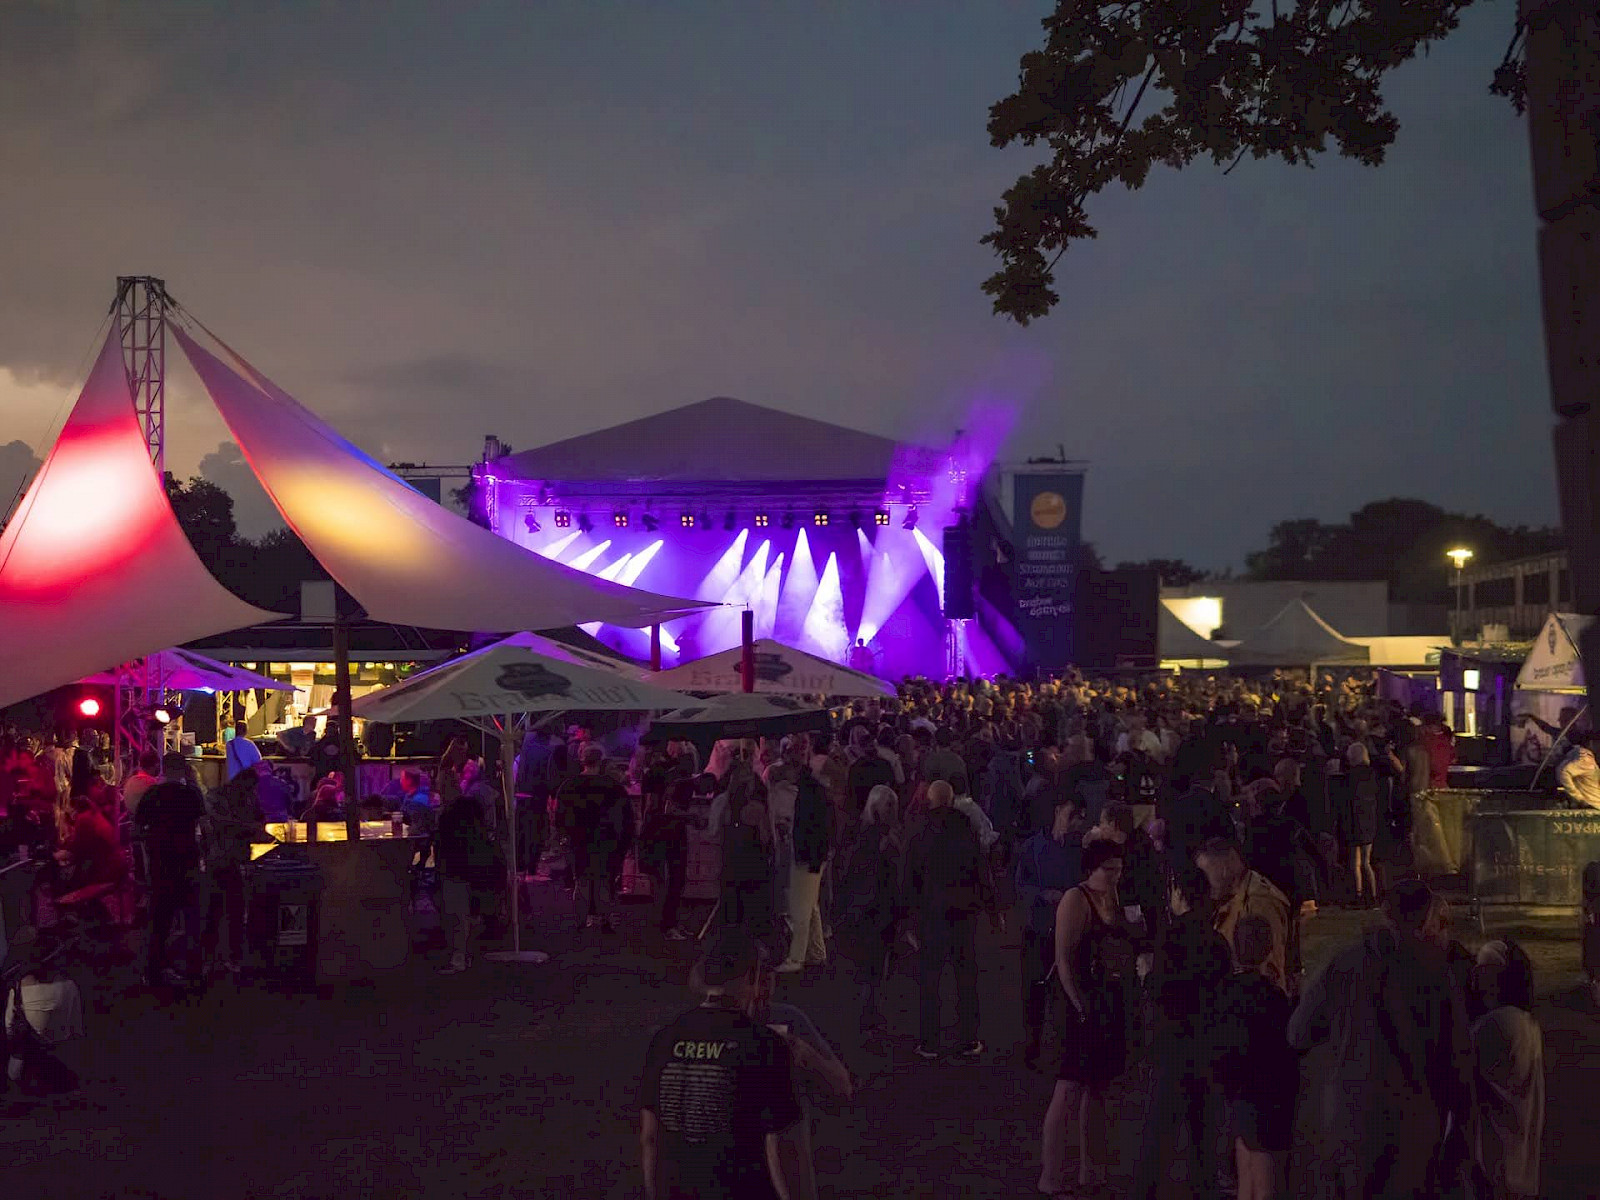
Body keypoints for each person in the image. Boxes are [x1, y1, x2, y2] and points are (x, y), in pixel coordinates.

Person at [1288, 879, 1474, 1200]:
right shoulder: (1436, 972)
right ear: (1425, 920)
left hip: (1350, 1122)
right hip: (1412, 1130)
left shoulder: (1344, 964)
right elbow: (1458, 1059)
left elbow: (1299, 1033)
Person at [639, 926, 803, 1200]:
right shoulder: (765, 1044)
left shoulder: (664, 1040)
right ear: (751, 976)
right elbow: (779, 1148)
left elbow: (650, 1138)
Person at [1130, 864, 1233, 1200]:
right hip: (1207, 1047)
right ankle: (1203, 1189)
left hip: (1174, 1047)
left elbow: (1163, 991)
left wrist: (1146, 975)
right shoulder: (1217, 941)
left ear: (1180, 895)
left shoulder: (1172, 939)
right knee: (1203, 1135)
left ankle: (1146, 1192)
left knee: (1159, 1133)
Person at [1039, 838, 1130, 1198]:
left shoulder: (1112, 897)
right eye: (1108, 870)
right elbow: (1063, 959)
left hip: (1106, 1002)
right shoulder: (1076, 900)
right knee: (1068, 1088)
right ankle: (1050, 1176)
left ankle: (1091, 1169)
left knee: (1097, 1087)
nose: (1115, 876)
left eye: (1118, 870)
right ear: (1091, 868)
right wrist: (1078, 1005)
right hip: (1078, 1005)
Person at [904, 775, 1000, 1058]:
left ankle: (929, 1041)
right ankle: (968, 1037)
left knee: (930, 979)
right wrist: (992, 908)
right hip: (964, 912)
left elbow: (910, 877)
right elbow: (981, 870)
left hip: (931, 914)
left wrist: (908, 917)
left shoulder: (921, 831)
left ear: (931, 801)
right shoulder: (966, 829)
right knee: (966, 976)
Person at [1215, 915, 1299, 1200]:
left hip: (1236, 1097)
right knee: (1266, 1186)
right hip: (1265, 1101)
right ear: (1268, 948)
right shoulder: (1271, 998)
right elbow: (1286, 1049)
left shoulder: (1225, 992)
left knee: (1247, 1180)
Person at [1014, 791, 1083, 1067]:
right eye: (1071, 815)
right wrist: (1043, 895)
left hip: (1069, 930)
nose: (1075, 822)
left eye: (1079, 817)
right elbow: (1021, 884)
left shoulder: (1078, 849)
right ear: (1057, 811)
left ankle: (1063, 1045)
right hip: (1040, 928)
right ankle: (1033, 1040)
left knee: (1065, 990)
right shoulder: (1033, 847)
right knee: (1034, 988)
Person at [1471, 939, 1543, 1200]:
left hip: (1494, 1160)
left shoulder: (1497, 1024)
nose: (1474, 974)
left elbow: (1454, 1069)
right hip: (1516, 1162)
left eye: (1482, 967)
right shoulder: (1524, 1021)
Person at [134, 752, 208, 987]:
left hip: (161, 863)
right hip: (187, 861)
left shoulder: (152, 794)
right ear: (183, 769)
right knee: (191, 919)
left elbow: (137, 829)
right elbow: (204, 827)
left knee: (160, 920)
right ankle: (193, 969)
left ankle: (154, 971)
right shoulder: (191, 794)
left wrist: (151, 844)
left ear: (164, 769)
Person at [833, 783, 901, 1032]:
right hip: (876, 909)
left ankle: (866, 1010)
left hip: (866, 908)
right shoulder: (881, 839)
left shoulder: (860, 833)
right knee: (874, 965)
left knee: (869, 964)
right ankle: (868, 1013)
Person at [1197, 838, 1292, 994]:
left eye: (1206, 873)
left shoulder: (1259, 903)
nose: (1204, 882)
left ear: (1225, 867)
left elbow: (1270, 972)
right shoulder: (1230, 899)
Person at [557, 744, 630, 931]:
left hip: (578, 839)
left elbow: (560, 815)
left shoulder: (569, 785)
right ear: (600, 761)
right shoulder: (613, 787)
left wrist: (563, 836)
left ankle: (581, 921)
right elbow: (624, 817)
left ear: (582, 761)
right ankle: (604, 920)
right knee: (603, 881)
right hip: (605, 839)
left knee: (581, 880)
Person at [200, 768, 264, 973]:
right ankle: (228, 957)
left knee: (218, 911)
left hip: (221, 859)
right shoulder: (233, 798)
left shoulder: (220, 796)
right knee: (229, 911)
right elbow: (221, 823)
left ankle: (212, 958)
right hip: (228, 859)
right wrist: (249, 827)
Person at [434, 782, 499, 974]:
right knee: (465, 915)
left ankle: (458, 958)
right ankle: (464, 955)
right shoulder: (475, 823)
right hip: (472, 870)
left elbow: (441, 846)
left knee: (456, 916)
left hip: (454, 871)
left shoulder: (449, 818)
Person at [777, 773, 833, 972]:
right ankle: (816, 952)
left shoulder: (808, 798)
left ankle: (797, 957)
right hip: (812, 859)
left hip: (807, 859)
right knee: (810, 905)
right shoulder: (816, 796)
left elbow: (809, 831)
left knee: (801, 909)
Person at [1556, 732, 1600, 810]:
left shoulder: (1577, 756)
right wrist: (1578, 797)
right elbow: (1565, 772)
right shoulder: (1585, 759)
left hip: (1592, 803)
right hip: (1592, 803)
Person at [120, 750, 161, 822]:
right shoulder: (151, 783)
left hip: (135, 823)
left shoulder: (130, 781)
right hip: (148, 824)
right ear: (155, 765)